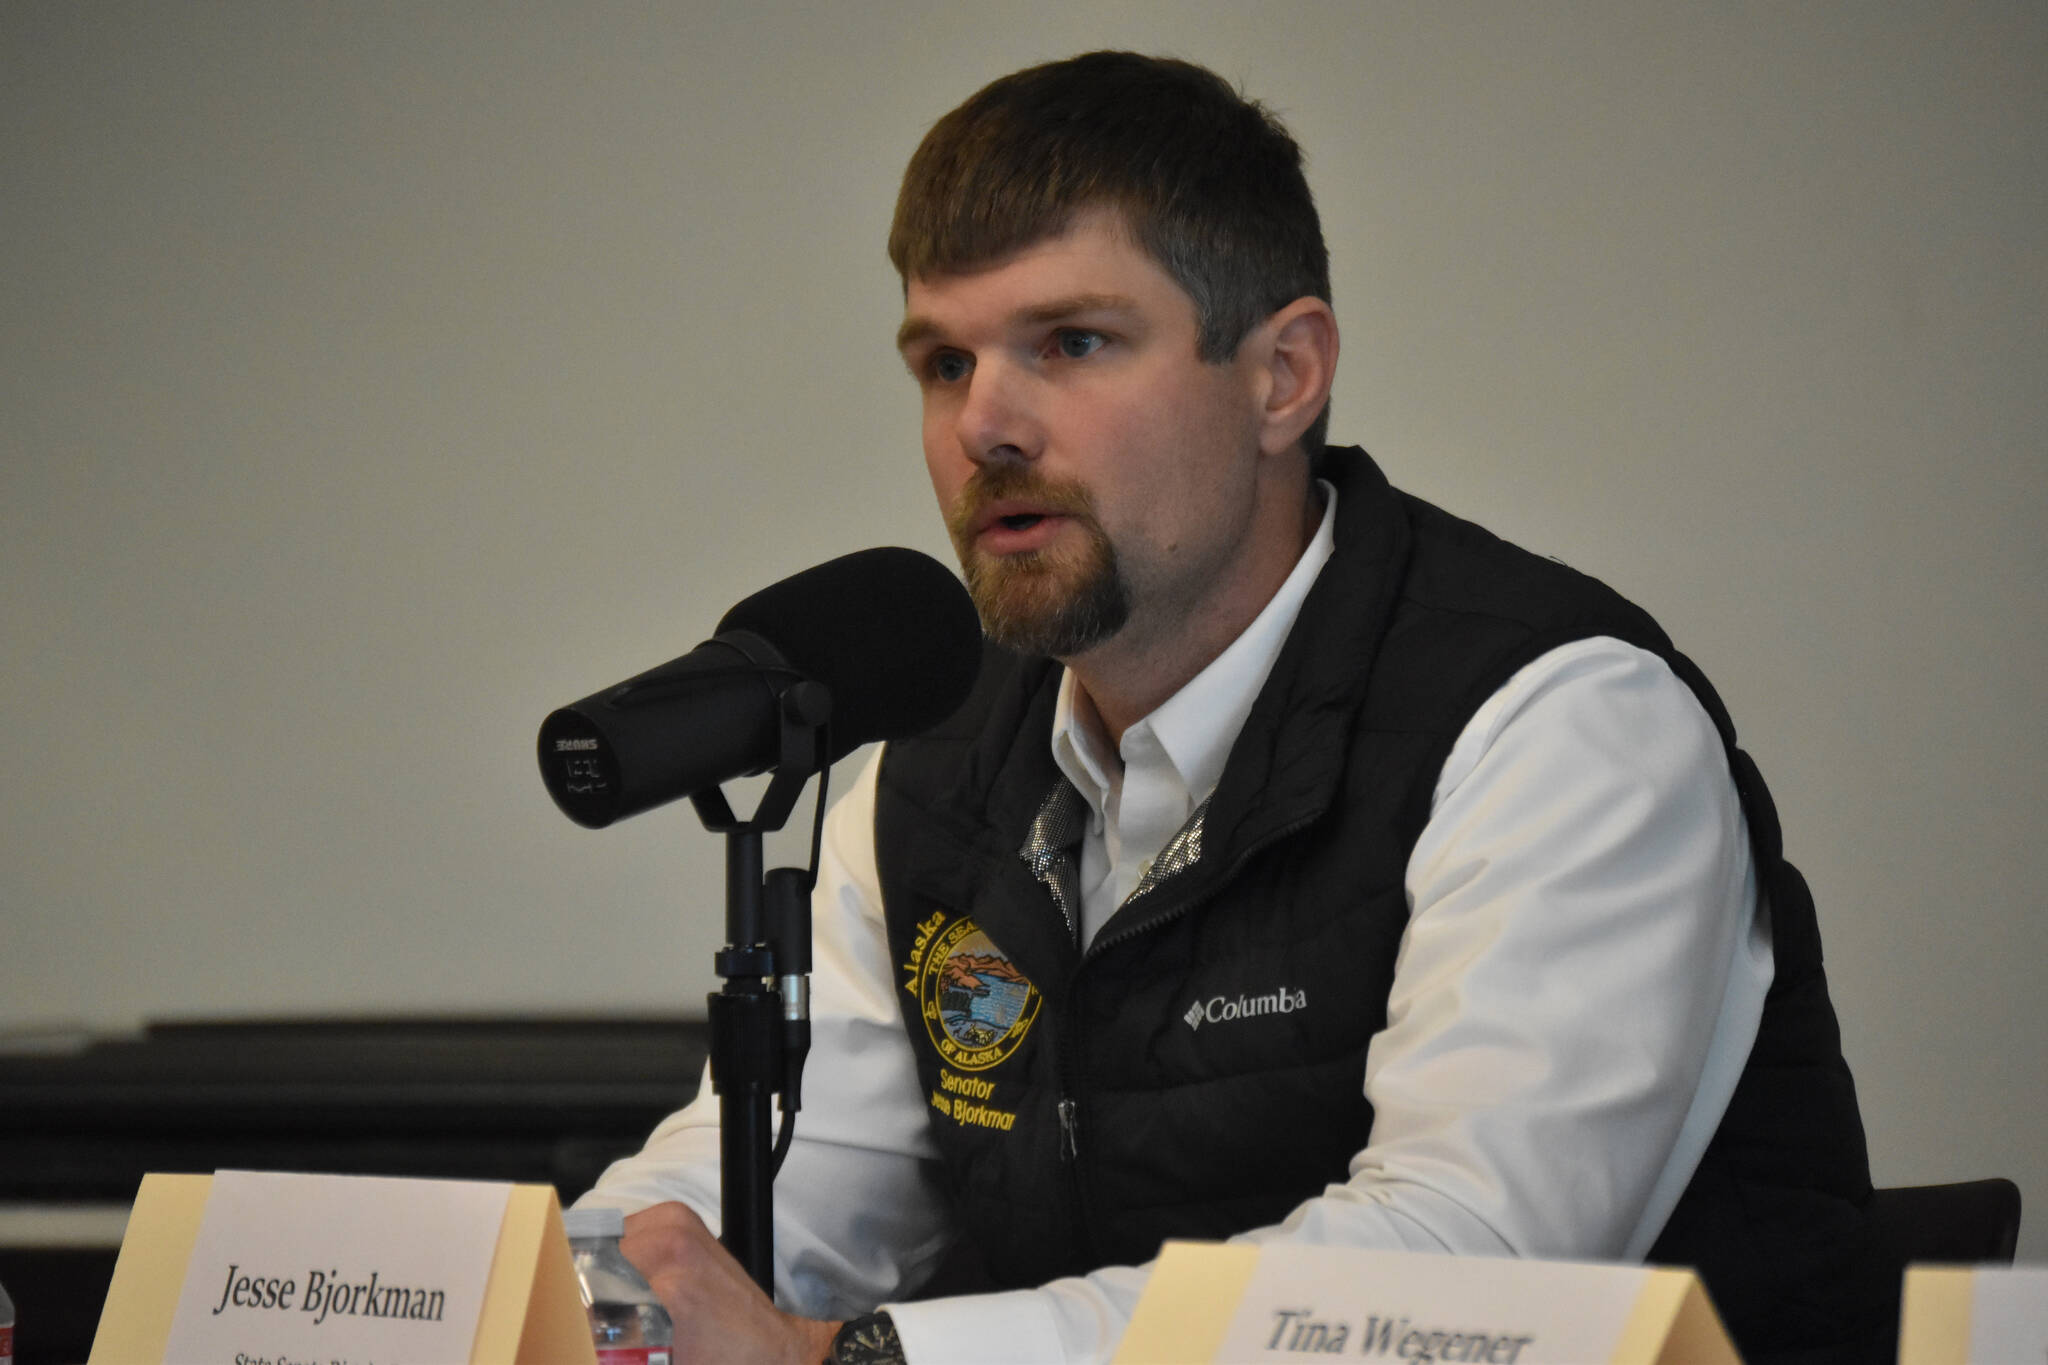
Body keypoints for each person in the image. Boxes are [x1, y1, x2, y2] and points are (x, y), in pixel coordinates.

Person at [580, 51, 1888, 1365]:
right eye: (942, 361)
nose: (984, 424)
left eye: (1071, 343)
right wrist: (589, 1300)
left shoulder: (1558, 724)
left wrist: (857, 1360)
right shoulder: (925, 777)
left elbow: (1454, 1274)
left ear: (1284, 376)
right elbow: (769, 1203)